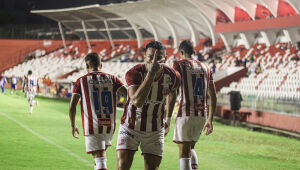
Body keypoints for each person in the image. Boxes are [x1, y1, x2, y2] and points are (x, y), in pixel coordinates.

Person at [116, 41, 181, 170]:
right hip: (130, 127)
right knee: (122, 167)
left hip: (155, 130)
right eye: (151, 57)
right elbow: (137, 102)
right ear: (144, 57)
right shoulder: (134, 73)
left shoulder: (173, 76)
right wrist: (151, 74)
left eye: (159, 58)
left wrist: (168, 119)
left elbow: (173, 93)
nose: (155, 61)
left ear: (166, 58)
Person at [69, 52, 127, 170]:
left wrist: (73, 125)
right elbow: (128, 95)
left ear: (86, 65)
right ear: (101, 65)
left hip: (92, 124)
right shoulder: (113, 78)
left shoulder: (81, 81)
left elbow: (72, 106)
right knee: (98, 156)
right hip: (109, 125)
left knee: (100, 158)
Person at [170, 40, 217, 170]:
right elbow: (213, 95)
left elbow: (172, 93)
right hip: (202, 115)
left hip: (185, 113)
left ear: (182, 52)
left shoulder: (178, 65)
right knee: (191, 147)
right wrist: (210, 119)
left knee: (184, 152)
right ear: (194, 52)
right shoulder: (206, 67)